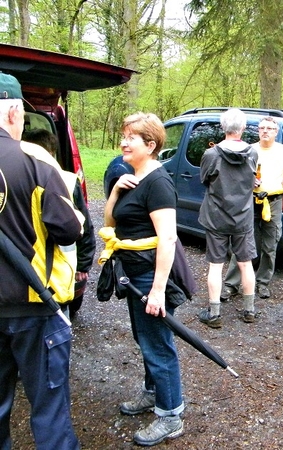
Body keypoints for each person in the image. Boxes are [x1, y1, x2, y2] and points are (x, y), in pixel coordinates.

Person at [0, 73, 82, 449]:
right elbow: (67, 230)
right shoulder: (36, 163)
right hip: (32, 304)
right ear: (14, 113)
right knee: (48, 409)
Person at [104, 112, 191, 446]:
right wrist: (114, 193)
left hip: (151, 276)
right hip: (133, 273)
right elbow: (111, 222)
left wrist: (157, 291)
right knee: (145, 339)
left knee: (157, 343)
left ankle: (170, 415)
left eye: (131, 137)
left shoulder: (157, 181)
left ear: (150, 145)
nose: (123, 142)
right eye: (123, 135)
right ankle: (153, 392)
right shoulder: (131, 175)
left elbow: (168, 238)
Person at [221, 116, 283, 301]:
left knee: (270, 245)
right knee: (243, 244)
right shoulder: (249, 149)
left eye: (270, 128)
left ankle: (262, 283)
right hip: (250, 201)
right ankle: (231, 285)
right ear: (258, 131)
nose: (265, 131)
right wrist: (248, 179)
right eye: (262, 128)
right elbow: (234, 172)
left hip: (273, 202)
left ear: (276, 132)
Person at [22, 128, 96, 318]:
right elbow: (86, 228)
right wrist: (83, 265)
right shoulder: (70, 180)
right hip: (59, 276)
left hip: (34, 272)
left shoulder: (16, 177)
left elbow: (85, 228)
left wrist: (83, 264)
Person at [198, 108, 258, 327]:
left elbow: (204, 179)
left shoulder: (211, 154)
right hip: (243, 217)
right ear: (243, 128)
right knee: (245, 264)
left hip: (216, 218)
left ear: (222, 127)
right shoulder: (252, 153)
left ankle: (214, 314)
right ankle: (249, 311)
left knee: (216, 265)